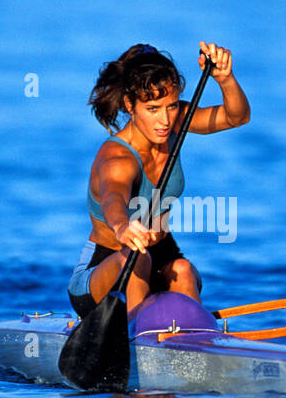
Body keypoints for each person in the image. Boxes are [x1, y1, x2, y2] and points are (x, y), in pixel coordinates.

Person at [67, 41, 249, 319]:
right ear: (130, 105)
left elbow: (237, 117)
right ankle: (137, 340)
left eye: (172, 106)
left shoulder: (175, 121)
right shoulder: (117, 156)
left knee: (184, 270)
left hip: (160, 258)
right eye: (152, 108)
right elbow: (113, 196)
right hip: (106, 270)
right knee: (137, 256)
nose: (164, 119)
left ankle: (195, 342)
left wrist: (225, 79)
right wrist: (121, 227)